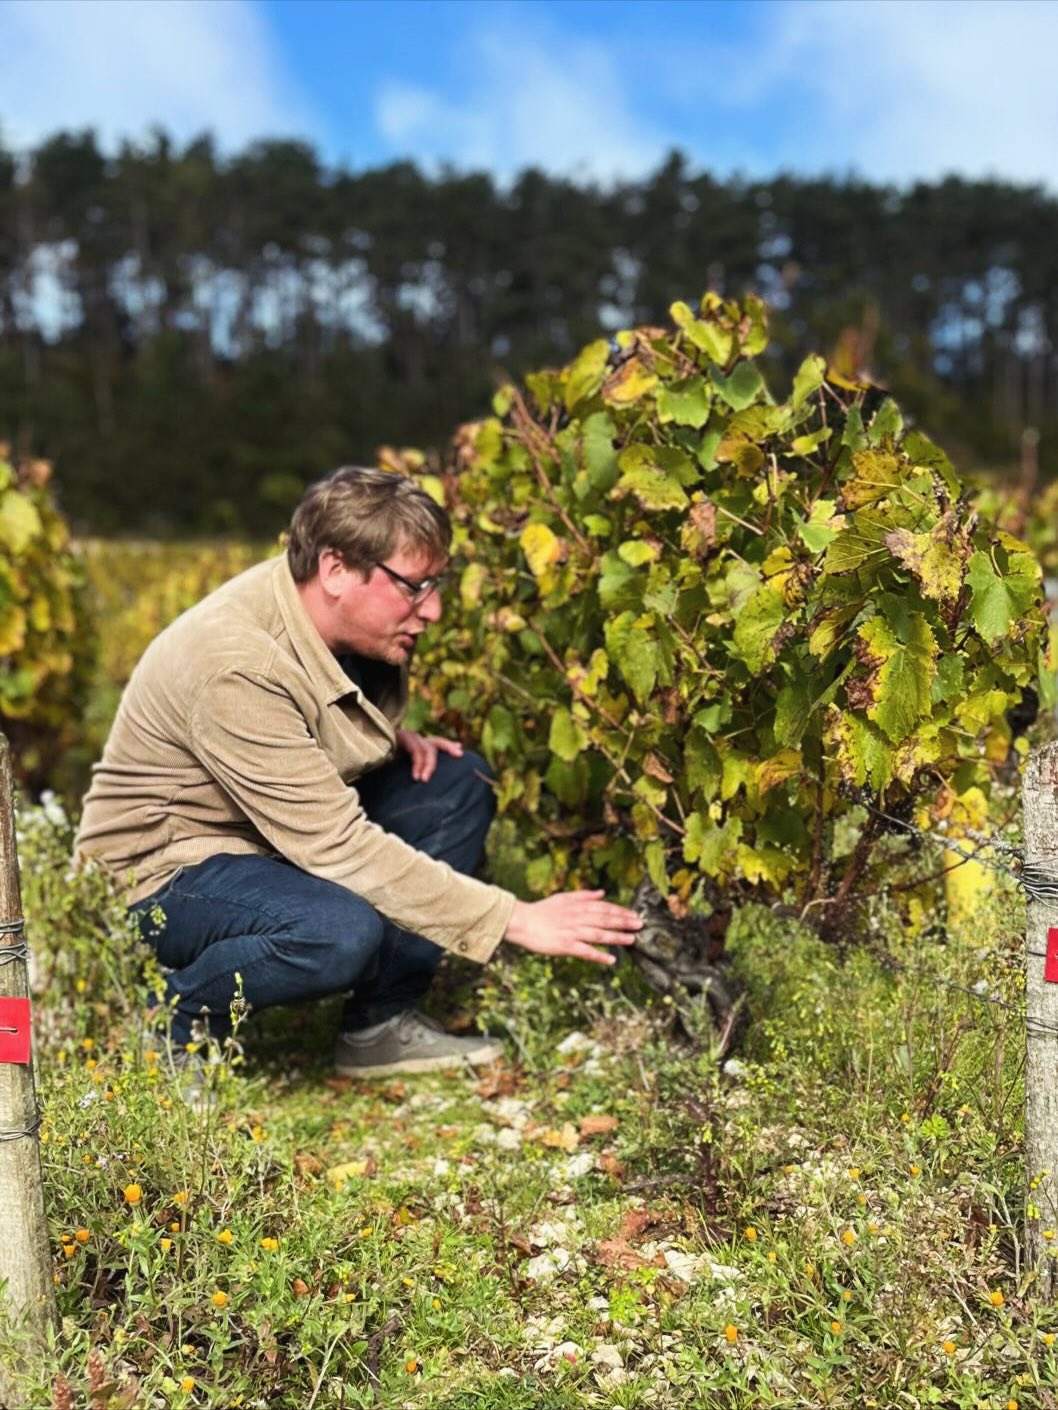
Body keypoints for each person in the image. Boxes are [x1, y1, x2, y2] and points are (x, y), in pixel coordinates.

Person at [74, 467, 641, 1076]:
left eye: (437, 583)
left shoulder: (318, 617)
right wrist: (515, 918)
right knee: (336, 931)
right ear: (336, 569)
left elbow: (299, 717)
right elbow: (338, 845)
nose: (435, 610)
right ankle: (173, 1025)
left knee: (455, 784)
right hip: (164, 871)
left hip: (260, 839)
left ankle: (378, 1026)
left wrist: (387, 738)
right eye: (415, 587)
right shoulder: (235, 665)